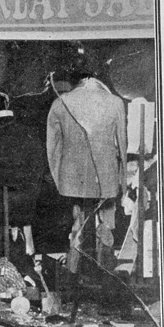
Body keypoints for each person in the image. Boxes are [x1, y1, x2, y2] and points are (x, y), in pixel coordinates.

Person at [46, 62, 127, 271]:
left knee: (77, 224)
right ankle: (105, 272)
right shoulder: (115, 102)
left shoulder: (60, 102)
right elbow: (122, 146)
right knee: (106, 223)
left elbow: (52, 148)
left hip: (70, 180)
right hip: (105, 178)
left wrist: (59, 179)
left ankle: (74, 271)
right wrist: (122, 182)